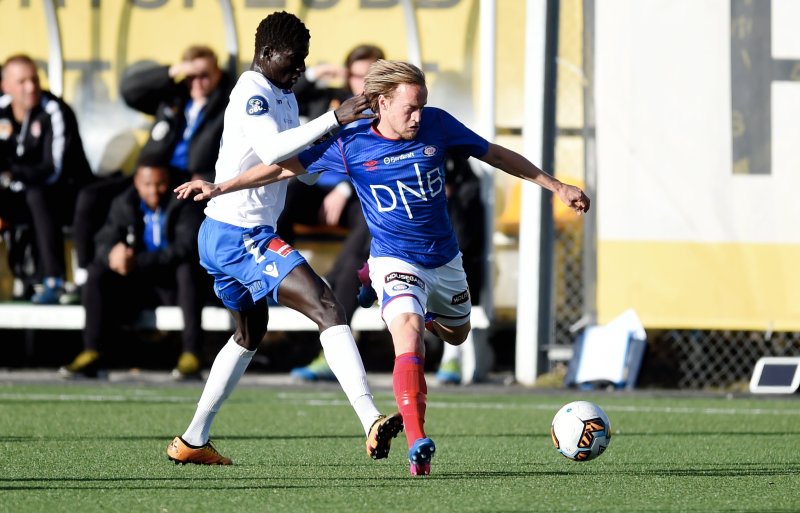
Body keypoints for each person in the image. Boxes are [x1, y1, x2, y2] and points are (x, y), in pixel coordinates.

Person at [175, 59, 591, 476]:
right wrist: (219, 187)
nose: (417, 115)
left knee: (457, 334)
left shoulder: (438, 125)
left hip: (444, 261)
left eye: (422, 105)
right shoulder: (349, 143)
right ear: (382, 102)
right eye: (410, 107)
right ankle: (416, 443)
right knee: (408, 337)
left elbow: (494, 153)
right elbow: (281, 167)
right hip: (394, 258)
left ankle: (390, 293)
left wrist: (556, 186)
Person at [165, 12, 402, 467]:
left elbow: (297, 169)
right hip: (240, 235)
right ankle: (371, 418)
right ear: (267, 53)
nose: (299, 69)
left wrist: (344, 138)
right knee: (327, 305)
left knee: (249, 333)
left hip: (229, 232)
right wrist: (334, 117)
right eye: (293, 60)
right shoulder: (252, 91)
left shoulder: (285, 95)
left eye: (304, 61)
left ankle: (193, 438)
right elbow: (275, 150)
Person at [65, 46, 235, 304]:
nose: (197, 82)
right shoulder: (172, 97)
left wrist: (209, 175)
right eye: (191, 75)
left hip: (187, 181)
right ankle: (85, 274)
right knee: (90, 197)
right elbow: (130, 91)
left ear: (218, 74)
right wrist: (172, 72)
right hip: (148, 174)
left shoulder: (228, 105)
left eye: (204, 75)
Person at [281, 44, 385, 382]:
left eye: (371, 76)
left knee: (364, 234)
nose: (363, 83)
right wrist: (316, 74)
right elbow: (286, 98)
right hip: (315, 190)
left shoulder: (389, 112)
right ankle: (272, 278)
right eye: (357, 75)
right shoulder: (334, 102)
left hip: (357, 194)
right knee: (282, 197)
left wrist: (345, 188)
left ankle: (333, 348)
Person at [59, 155, 208, 379]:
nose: (154, 191)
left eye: (160, 184)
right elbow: (103, 240)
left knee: (187, 269)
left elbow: (186, 248)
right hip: (138, 285)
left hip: (175, 287)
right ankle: (91, 352)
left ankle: (191, 354)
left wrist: (137, 261)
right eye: (147, 185)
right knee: (96, 273)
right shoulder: (124, 203)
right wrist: (113, 253)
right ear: (137, 183)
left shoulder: (185, 201)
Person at [0, 54, 95, 304]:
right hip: (22, 193)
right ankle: (15, 277)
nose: (31, 87)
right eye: (22, 82)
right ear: (5, 86)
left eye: (34, 79)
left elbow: (54, 170)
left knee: (37, 195)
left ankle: (54, 279)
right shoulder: (1, 111)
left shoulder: (54, 110)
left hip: (65, 195)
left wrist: (11, 172)